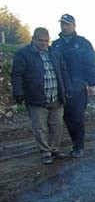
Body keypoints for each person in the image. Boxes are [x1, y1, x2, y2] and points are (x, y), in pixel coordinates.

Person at [11, 27, 71, 164]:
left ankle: (54, 149)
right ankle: (45, 152)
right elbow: (17, 75)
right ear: (33, 39)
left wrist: (67, 89)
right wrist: (19, 93)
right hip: (36, 98)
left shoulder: (55, 53)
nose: (44, 43)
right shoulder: (23, 54)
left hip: (56, 96)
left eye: (46, 40)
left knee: (57, 125)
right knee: (40, 128)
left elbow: (63, 72)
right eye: (41, 41)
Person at [52, 14, 95, 158]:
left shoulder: (83, 43)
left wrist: (91, 83)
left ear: (74, 26)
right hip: (62, 87)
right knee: (66, 118)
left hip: (78, 87)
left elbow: (90, 64)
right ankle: (74, 144)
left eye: (67, 24)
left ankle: (79, 147)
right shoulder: (56, 44)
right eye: (62, 24)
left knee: (77, 117)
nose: (64, 27)